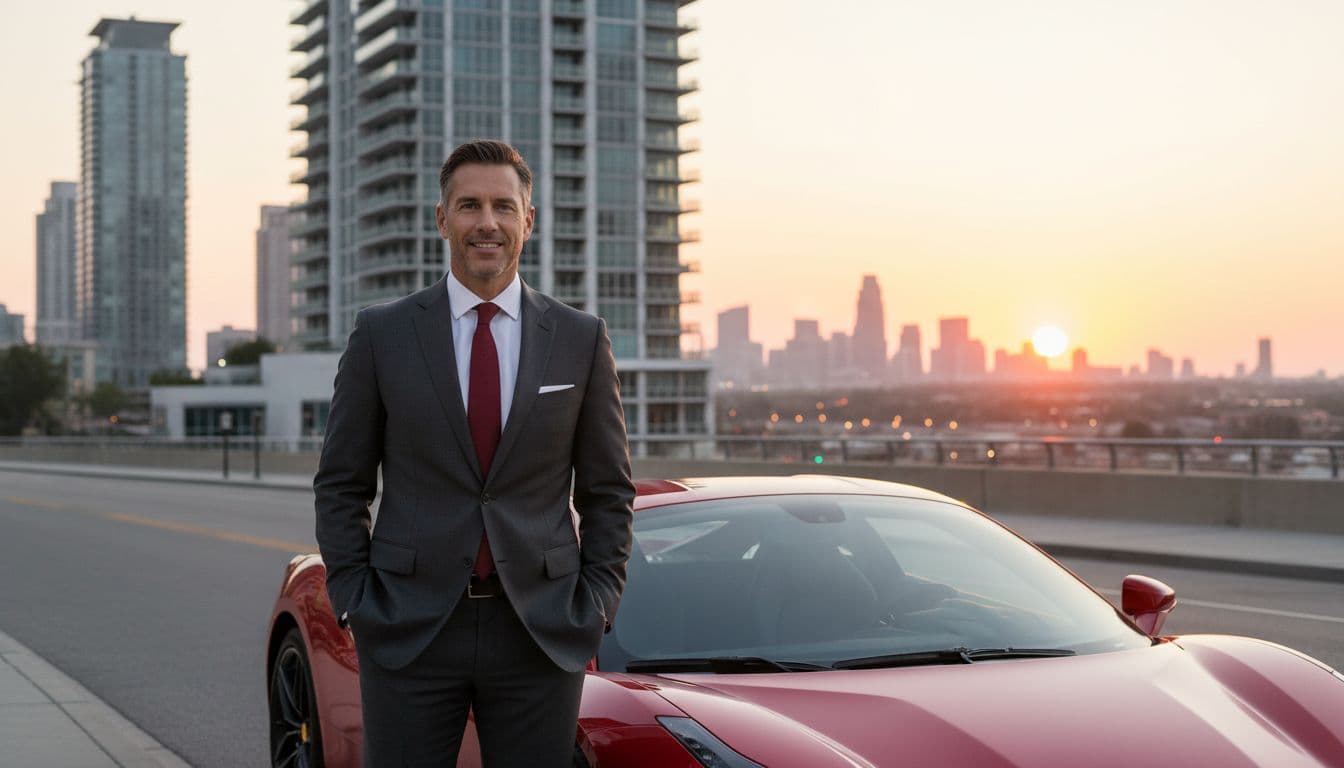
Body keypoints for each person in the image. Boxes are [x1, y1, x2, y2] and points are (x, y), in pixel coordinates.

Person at [314, 139, 635, 767]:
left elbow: (608, 492)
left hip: (539, 631)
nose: (487, 223)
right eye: (469, 206)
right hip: (408, 630)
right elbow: (341, 485)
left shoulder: (579, 339)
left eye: (502, 207)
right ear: (442, 219)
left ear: (528, 220)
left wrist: (596, 603)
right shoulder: (382, 334)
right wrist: (357, 599)